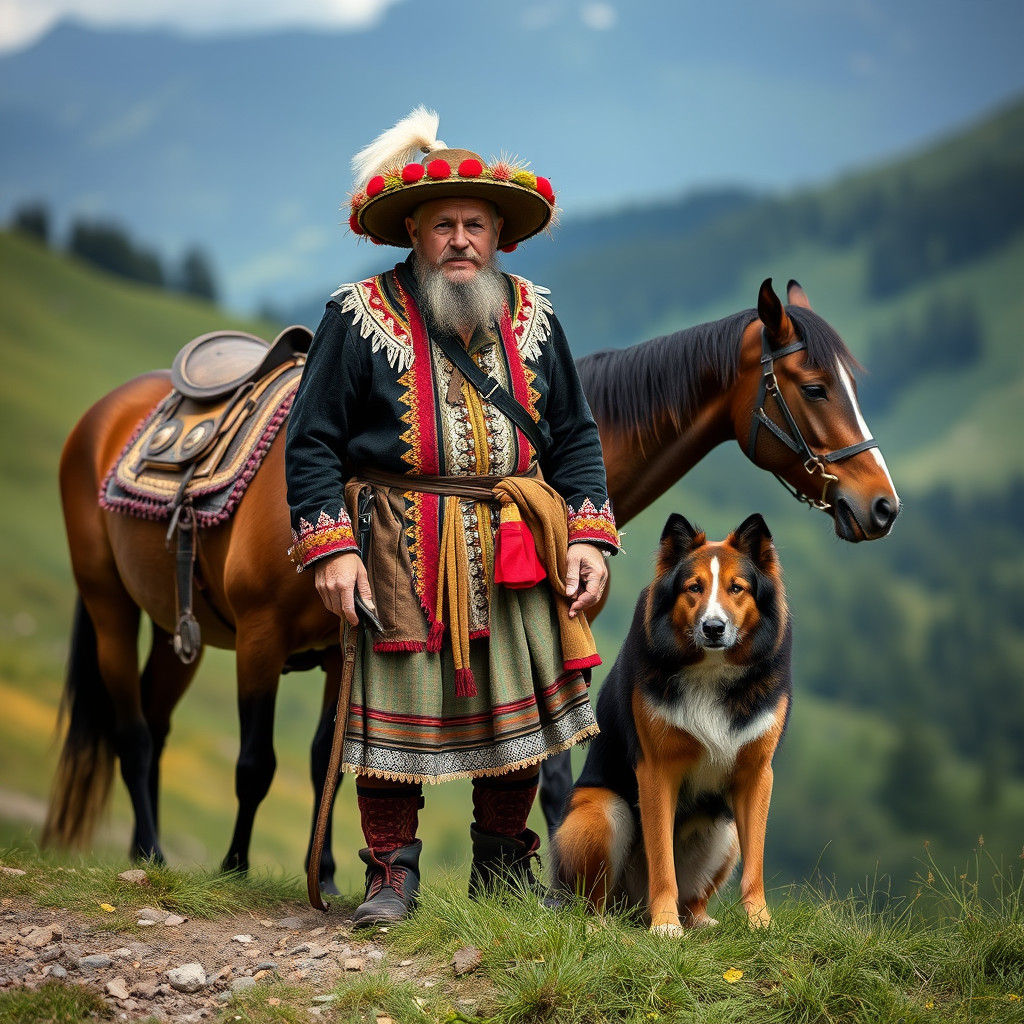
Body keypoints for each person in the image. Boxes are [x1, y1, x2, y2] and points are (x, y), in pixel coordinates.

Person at [284, 108, 619, 927]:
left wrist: (588, 539)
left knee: (512, 711)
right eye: (444, 226)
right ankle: (390, 878)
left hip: (512, 543)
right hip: (398, 544)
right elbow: (312, 440)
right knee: (392, 710)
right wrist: (332, 549)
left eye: (476, 224)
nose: (460, 240)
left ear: (500, 234)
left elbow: (574, 435)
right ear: (414, 232)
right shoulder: (358, 315)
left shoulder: (537, 317)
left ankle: (502, 872)